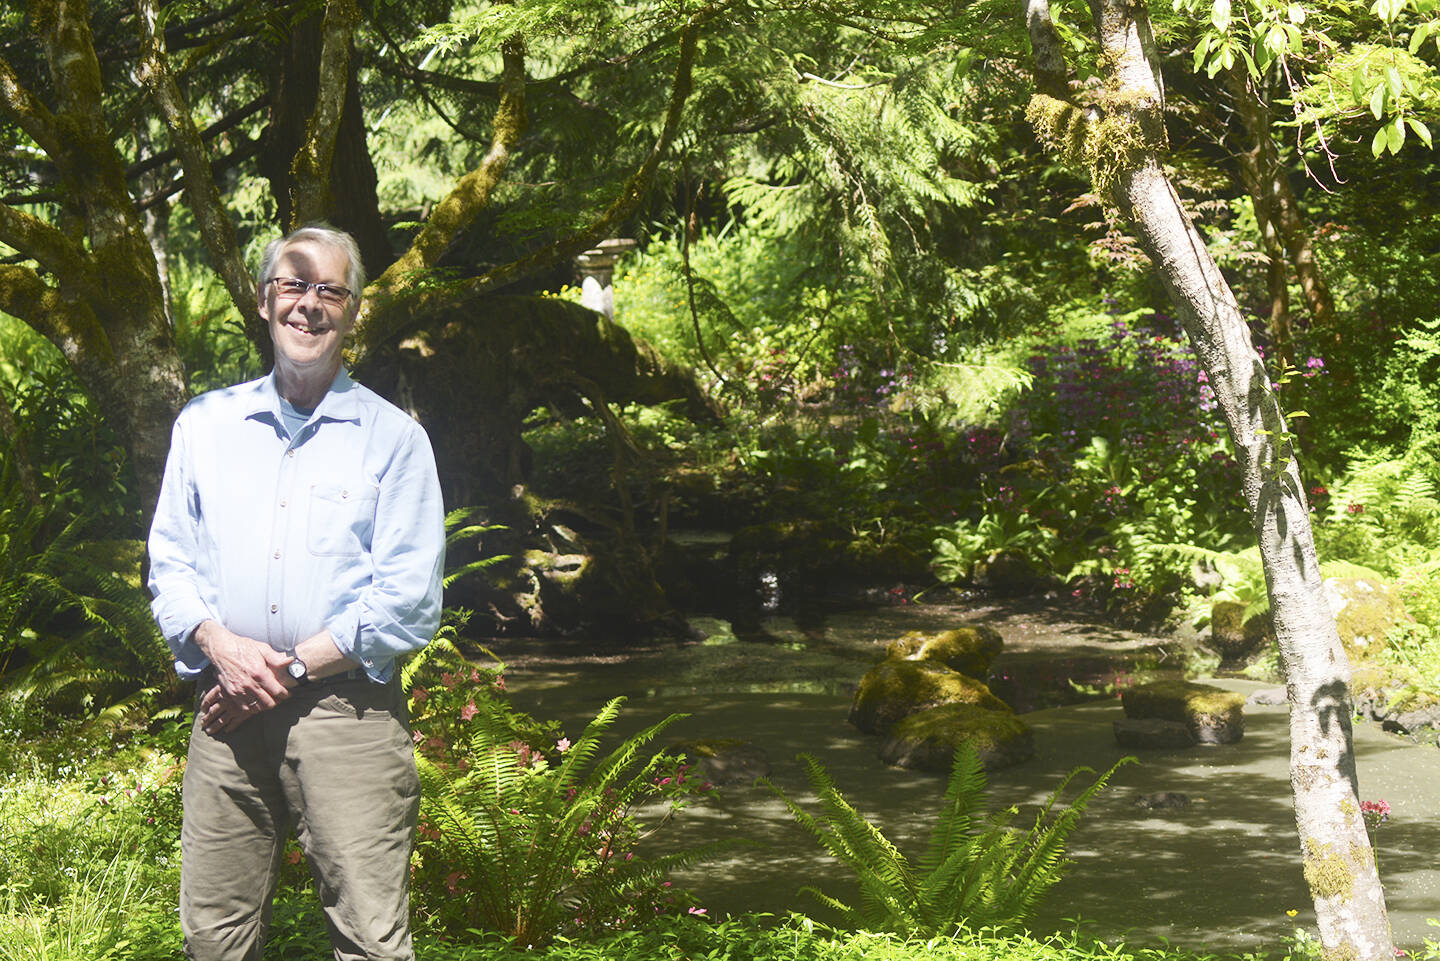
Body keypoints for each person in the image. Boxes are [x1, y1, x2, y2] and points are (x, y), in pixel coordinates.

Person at [147, 224, 445, 961]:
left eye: (330, 289)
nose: (310, 304)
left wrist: (278, 670)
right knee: (214, 940)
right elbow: (169, 563)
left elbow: (407, 599)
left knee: (371, 941)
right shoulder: (205, 426)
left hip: (351, 718)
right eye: (294, 284)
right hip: (226, 717)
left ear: (352, 309)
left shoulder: (394, 440)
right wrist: (219, 645)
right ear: (263, 299)